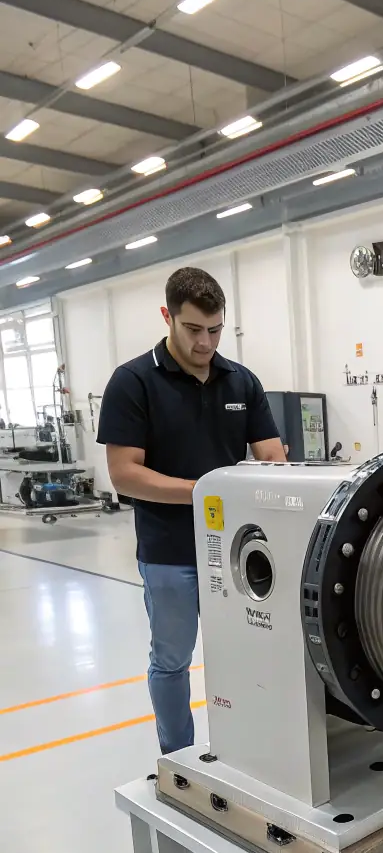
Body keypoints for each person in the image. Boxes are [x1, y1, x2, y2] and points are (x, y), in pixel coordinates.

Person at [98, 266, 286, 754]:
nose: (206, 342)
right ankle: (178, 759)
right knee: (172, 660)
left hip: (236, 552)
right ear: (168, 316)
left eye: (216, 330)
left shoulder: (241, 382)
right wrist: (207, 492)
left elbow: (272, 455)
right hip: (170, 553)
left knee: (245, 655)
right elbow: (124, 473)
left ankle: (248, 751)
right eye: (194, 330)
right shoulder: (133, 382)